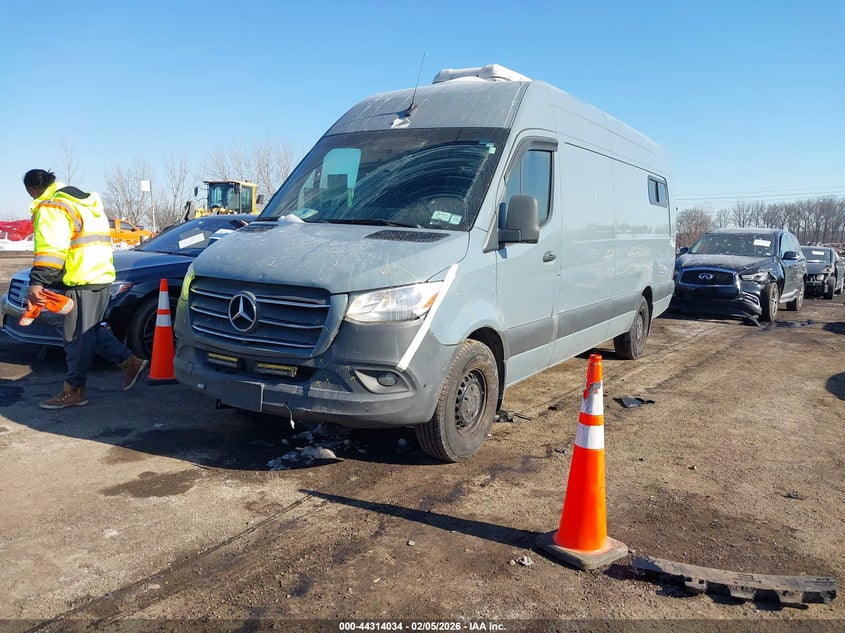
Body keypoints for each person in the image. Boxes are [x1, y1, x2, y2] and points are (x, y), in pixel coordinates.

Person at [23, 169, 148, 409]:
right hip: (99, 277)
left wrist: (38, 282)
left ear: (32, 190)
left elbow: (52, 250)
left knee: (76, 337)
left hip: (80, 280)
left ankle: (75, 390)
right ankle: (129, 363)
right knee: (88, 331)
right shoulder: (83, 202)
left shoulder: (53, 206)